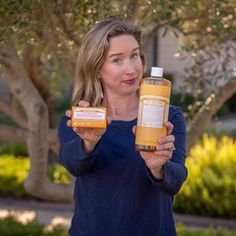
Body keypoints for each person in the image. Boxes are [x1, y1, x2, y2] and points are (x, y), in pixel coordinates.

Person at [58, 18, 188, 236]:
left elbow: (174, 182)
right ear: (97, 69)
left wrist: (158, 168)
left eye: (134, 55)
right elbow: (73, 164)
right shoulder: (81, 119)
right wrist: (88, 142)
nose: (131, 69)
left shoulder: (169, 117)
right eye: (117, 60)